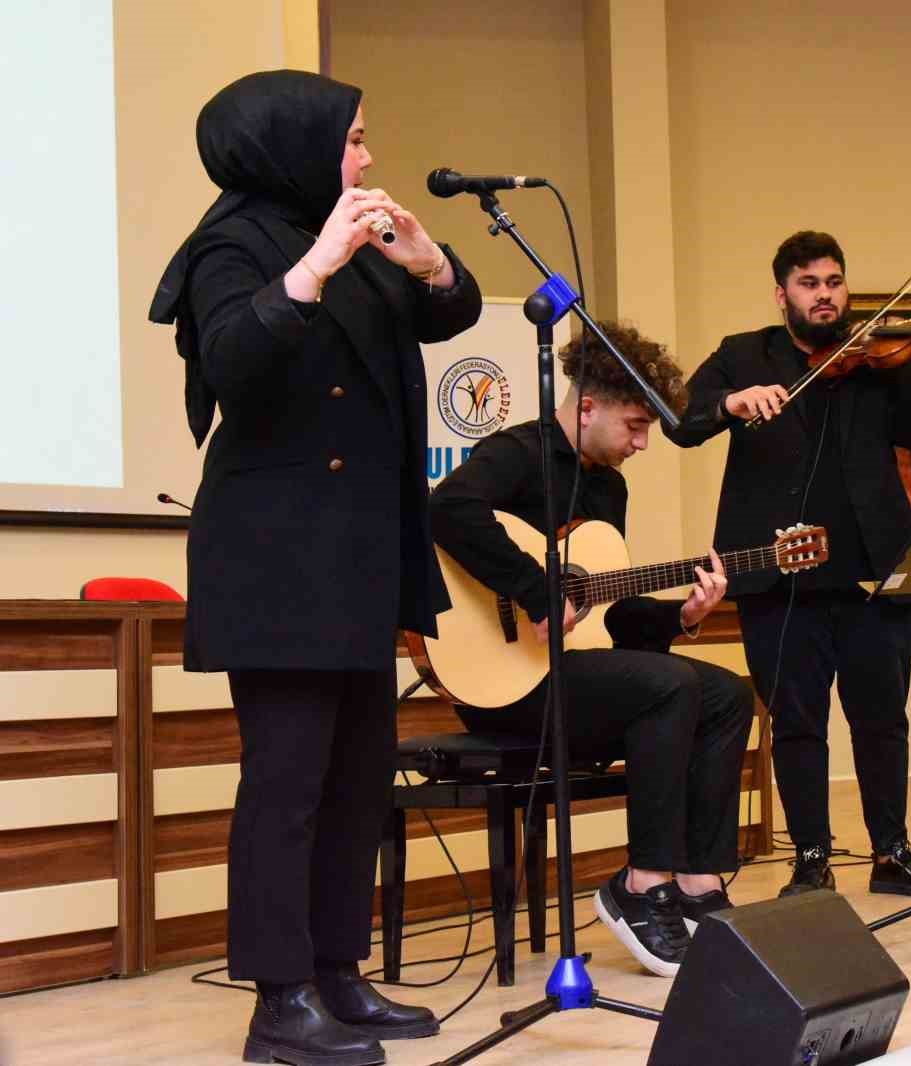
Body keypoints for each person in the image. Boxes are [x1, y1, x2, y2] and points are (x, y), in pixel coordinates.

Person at [149, 70, 482, 1066]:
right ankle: (278, 1000)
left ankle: (338, 972)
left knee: (355, 781)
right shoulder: (233, 245)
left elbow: (445, 319)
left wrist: (428, 263)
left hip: (359, 554)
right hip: (278, 559)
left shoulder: (358, 236)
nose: (368, 159)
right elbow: (238, 364)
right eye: (354, 140)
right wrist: (315, 267)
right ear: (289, 145)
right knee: (286, 785)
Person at [429, 322, 754, 978]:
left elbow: (617, 624)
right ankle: (639, 886)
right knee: (671, 687)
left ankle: (696, 882)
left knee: (728, 693)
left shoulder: (609, 487)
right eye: (635, 426)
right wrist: (535, 588)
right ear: (587, 407)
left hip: (573, 676)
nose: (641, 443)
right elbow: (448, 508)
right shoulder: (519, 453)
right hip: (503, 685)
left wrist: (682, 617)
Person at [667, 230, 911, 898]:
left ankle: (892, 853)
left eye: (833, 282)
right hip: (776, 576)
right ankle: (810, 860)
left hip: (870, 572)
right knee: (797, 723)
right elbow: (682, 421)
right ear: (782, 294)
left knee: (882, 717)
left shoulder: (875, 358)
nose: (824, 295)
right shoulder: (744, 355)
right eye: (808, 284)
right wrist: (730, 403)